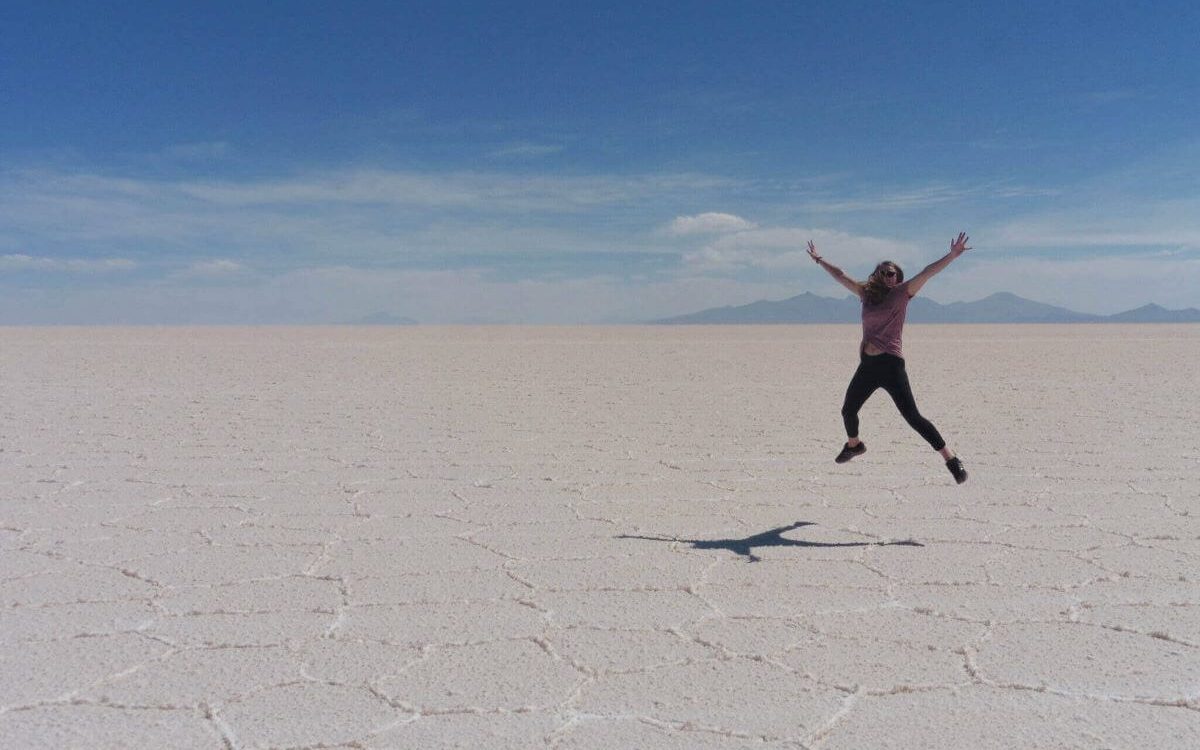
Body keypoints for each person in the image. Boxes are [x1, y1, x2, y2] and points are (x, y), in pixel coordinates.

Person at [807, 233, 970, 484]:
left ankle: (950, 458)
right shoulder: (866, 294)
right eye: (882, 272)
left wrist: (952, 255)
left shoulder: (903, 293)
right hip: (868, 366)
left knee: (913, 416)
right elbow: (841, 276)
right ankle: (854, 445)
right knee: (848, 409)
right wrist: (820, 260)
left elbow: (927, 272)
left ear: (898, 278)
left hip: (891, 364)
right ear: (876, 275)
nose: (887, 276)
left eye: (891, 273)